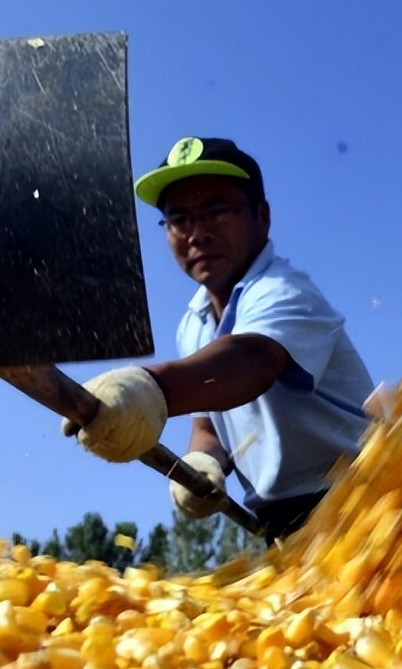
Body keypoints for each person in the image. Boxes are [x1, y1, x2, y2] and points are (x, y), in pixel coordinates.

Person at [63, 136, 374, 543]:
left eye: (216, 212)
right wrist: (201, 463)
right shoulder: (193, 325)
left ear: (261, 216)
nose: (197, 233)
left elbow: (252, 363)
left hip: (363, 506)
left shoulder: (283, 290)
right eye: (179, 219)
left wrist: (149, 389)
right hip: (281, 526)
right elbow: (209, 425)